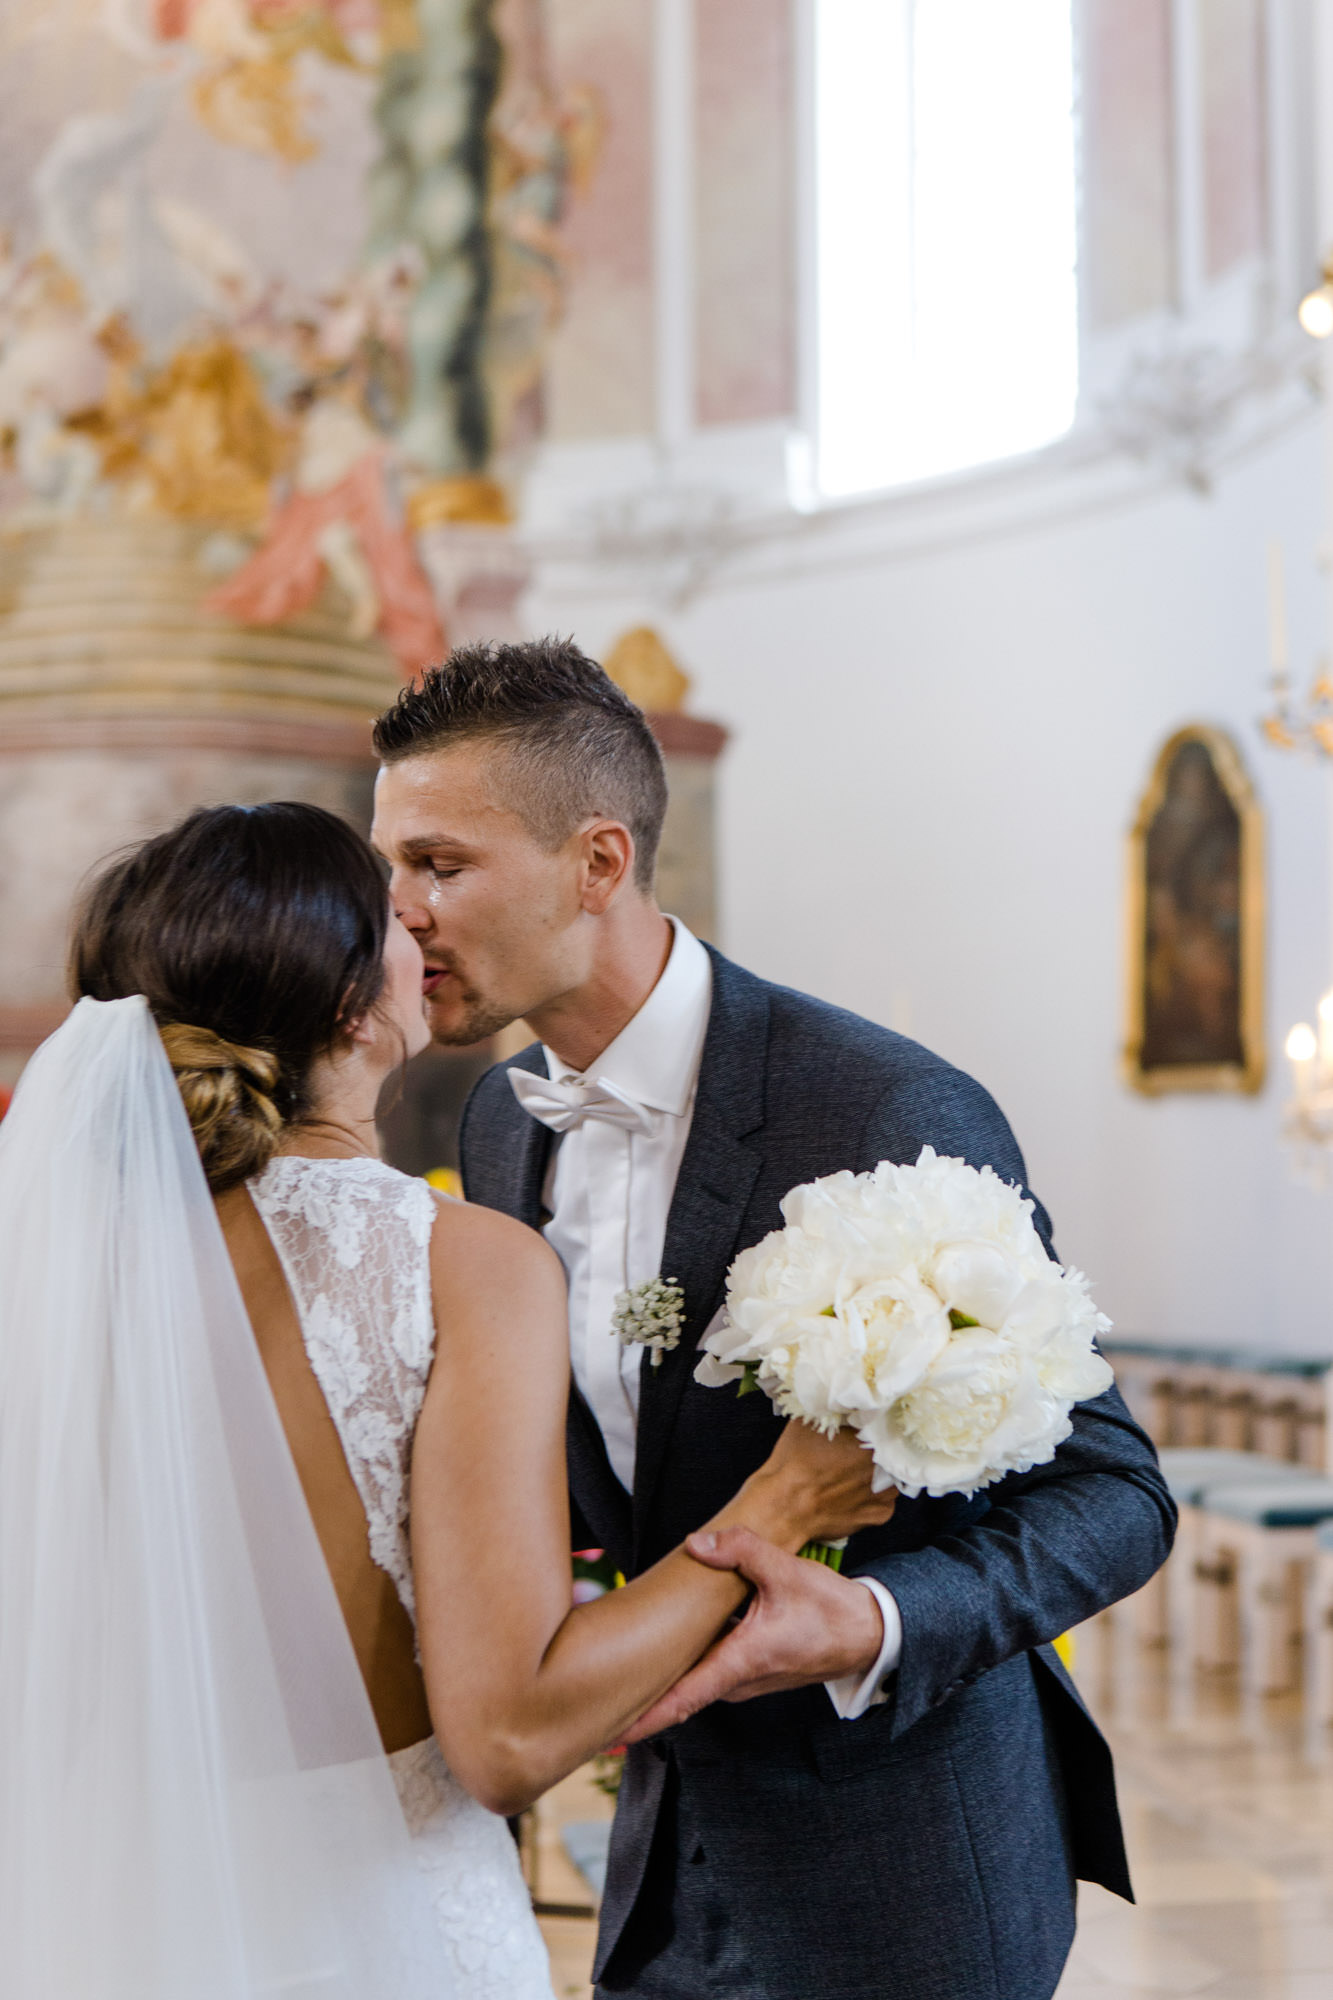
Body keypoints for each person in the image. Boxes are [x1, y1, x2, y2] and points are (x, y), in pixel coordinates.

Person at [370, 637, 1178, 2000]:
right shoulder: (503, 1125)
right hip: (660, 1859)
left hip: (904, 1875)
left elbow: (1116, 1492)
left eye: (437, 866)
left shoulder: (876, 1110)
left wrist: (869, 1621)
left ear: (598, 863)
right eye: (388, 869)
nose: (398, 918)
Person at [0, 800, 894, 2000]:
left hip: (108, 1925)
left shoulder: (51, 1271)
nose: (417, 916)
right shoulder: (454, 1259)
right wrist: (788, 1496)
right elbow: (510, 1734)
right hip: (376, 1929)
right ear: (350, 1008)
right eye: (389, 905)